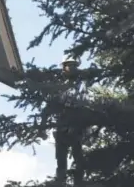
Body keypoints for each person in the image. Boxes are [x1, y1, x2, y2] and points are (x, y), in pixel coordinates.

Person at [46, 55, 86, 185]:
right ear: (64, 67)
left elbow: (82, 103)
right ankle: (60, 182)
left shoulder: (81, 85)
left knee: (78, 160)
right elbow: (52, 105)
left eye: (74, 65)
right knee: (61, 161)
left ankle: (78, 183)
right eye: (69, 65)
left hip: (76, 126)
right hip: (61, 127)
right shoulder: (59, 85)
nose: (72, 68)